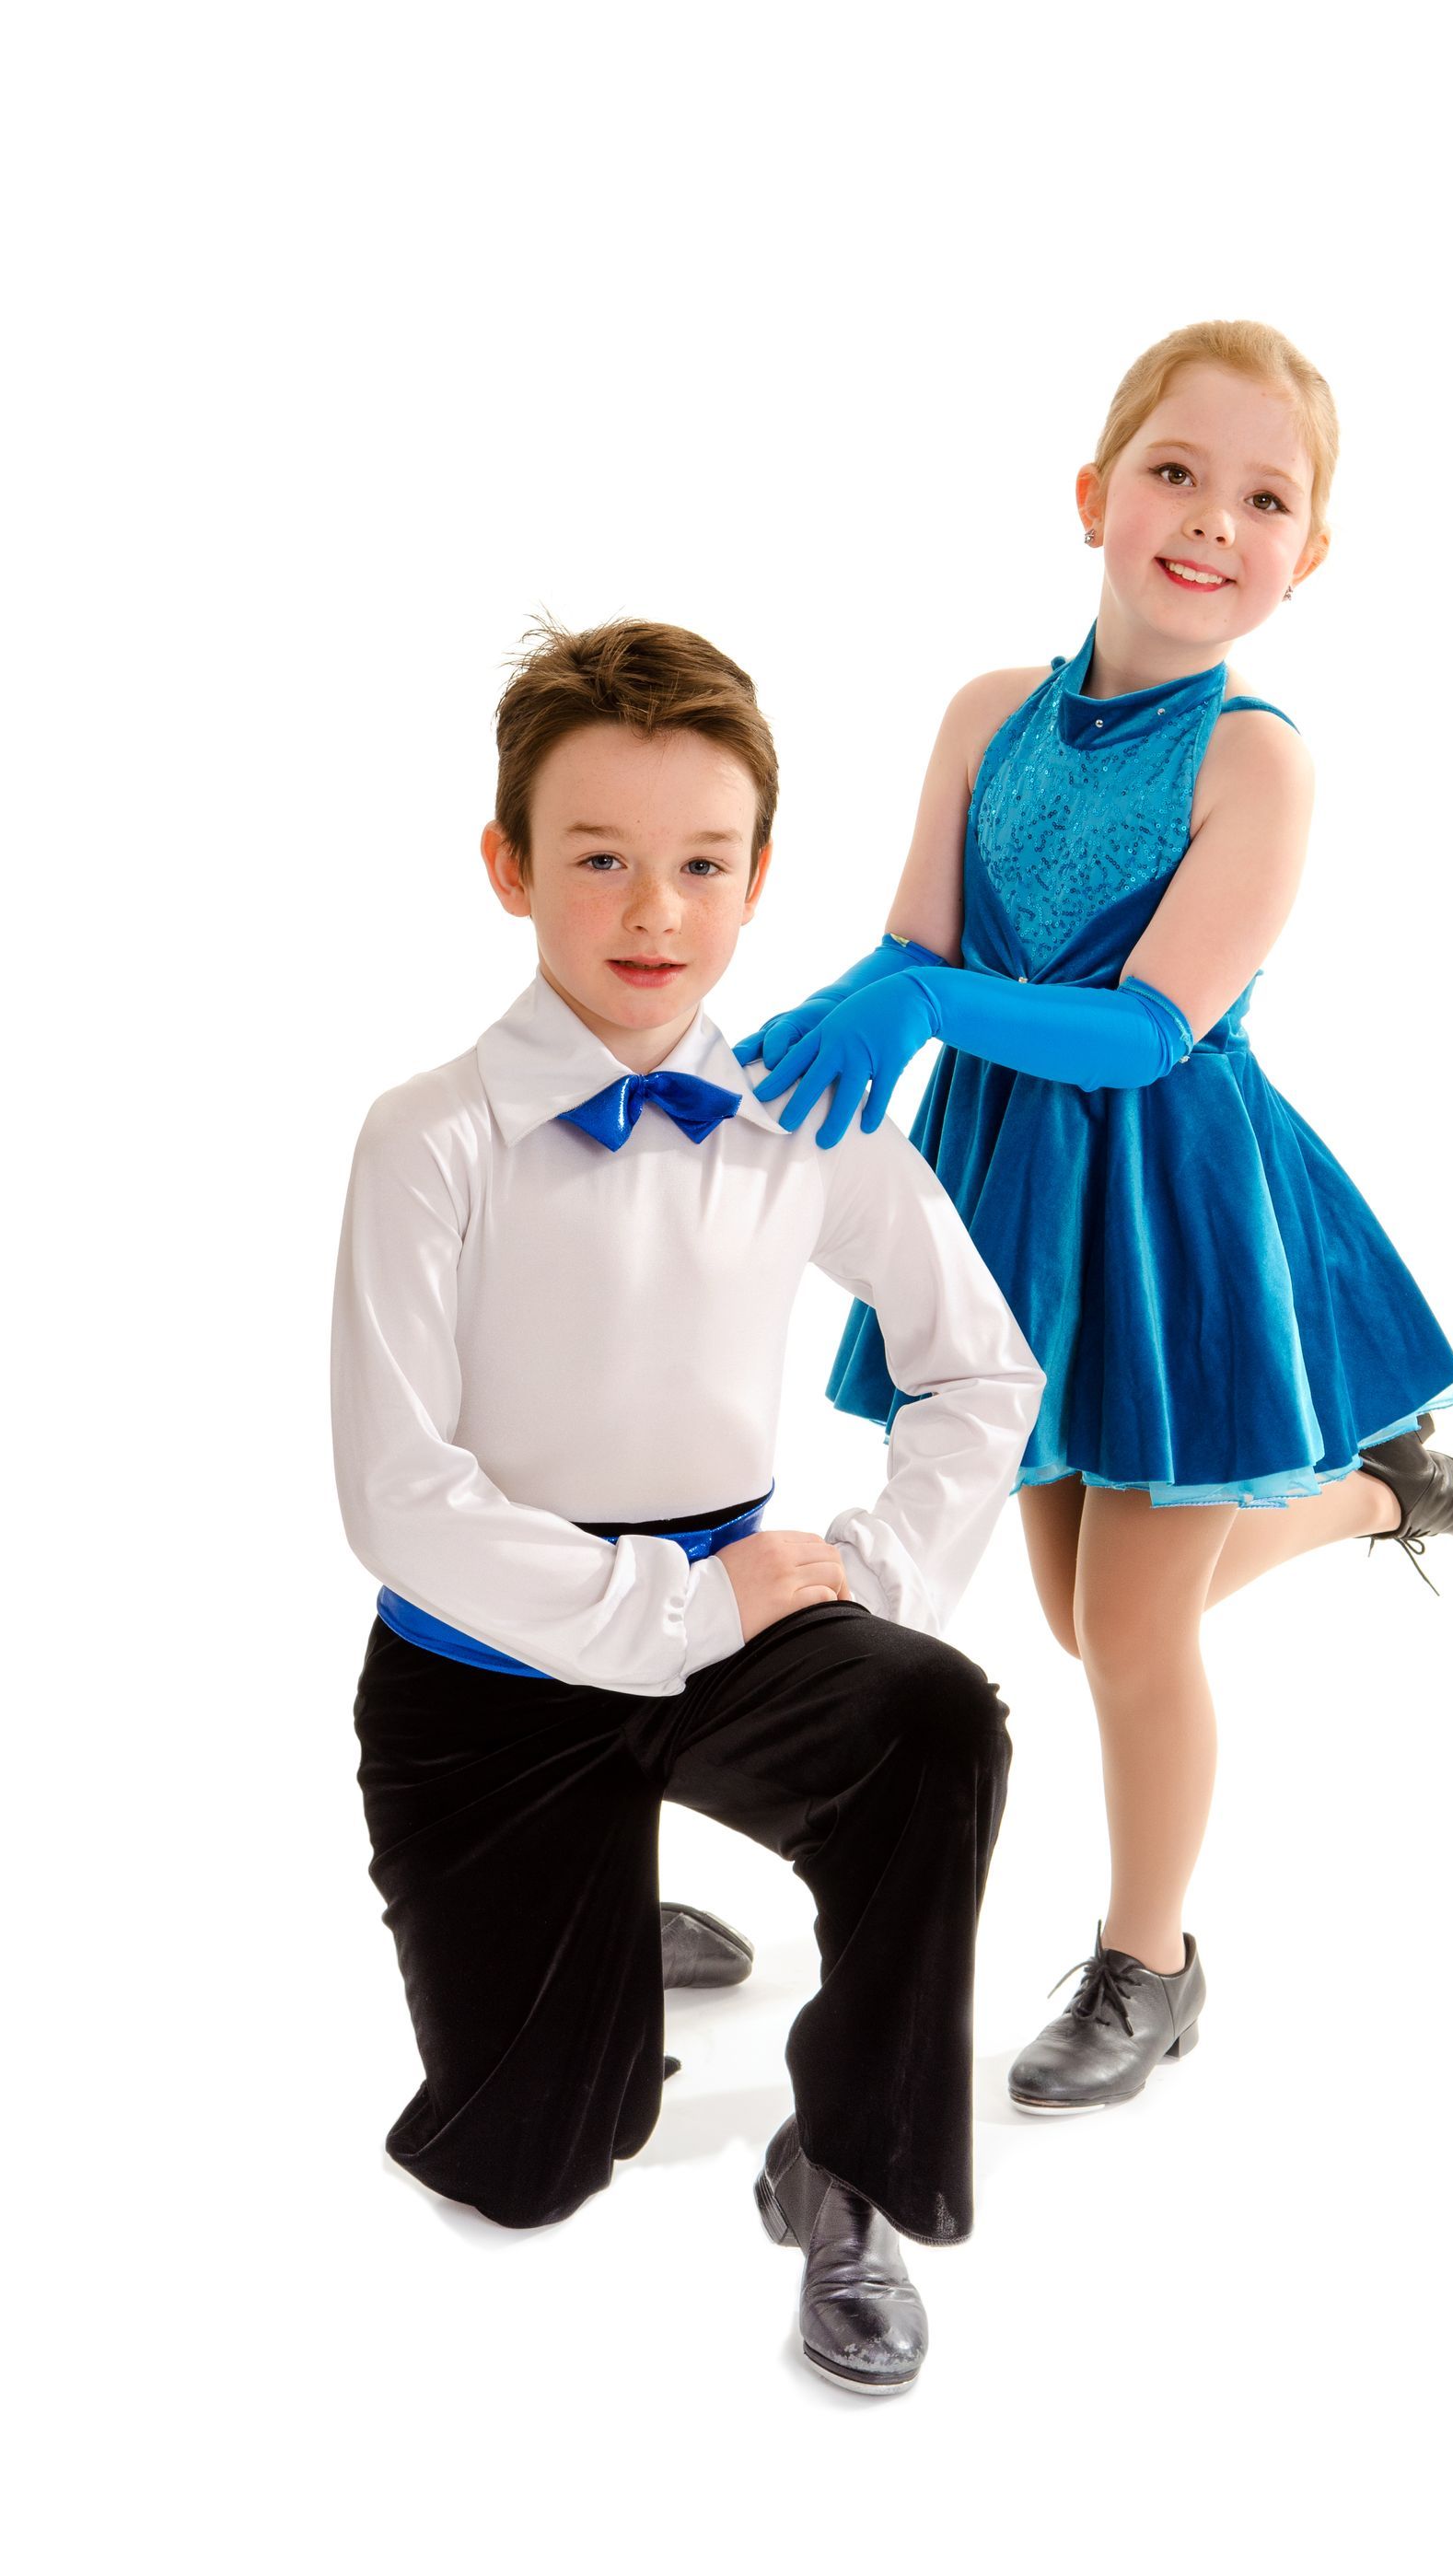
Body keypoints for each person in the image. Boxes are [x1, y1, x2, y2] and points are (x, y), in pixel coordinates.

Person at [735, 319, 1453, 2118]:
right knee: (1090, 1615)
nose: (1211, 520)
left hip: (1172, 1203)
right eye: (1176, 472)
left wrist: (925, 1008)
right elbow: (917, 941)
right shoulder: (980, 710)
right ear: (1096, 494)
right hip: (1015, 1185)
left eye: (1265, 499)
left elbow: (1147, 1023)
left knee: (1138, 1636)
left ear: (1303, 559)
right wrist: (817, 1031)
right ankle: (1382, 1490)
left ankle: (1149, 1962)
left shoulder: (1259, 759)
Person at [331, 618, 1044, 2392]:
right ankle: (597, 1896)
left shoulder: (807, 1110)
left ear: (755, 882)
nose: (652, 910)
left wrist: (862, 1579)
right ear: (508, 866)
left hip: (742, 1612)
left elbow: (986, 1373)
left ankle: (855, 2171)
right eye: (597, 859)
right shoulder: (428, 1139)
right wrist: (670, 1618)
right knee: (528, 2172)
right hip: (487, 1670)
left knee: (936, 1720)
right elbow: (401, 1495)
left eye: (699, 866)